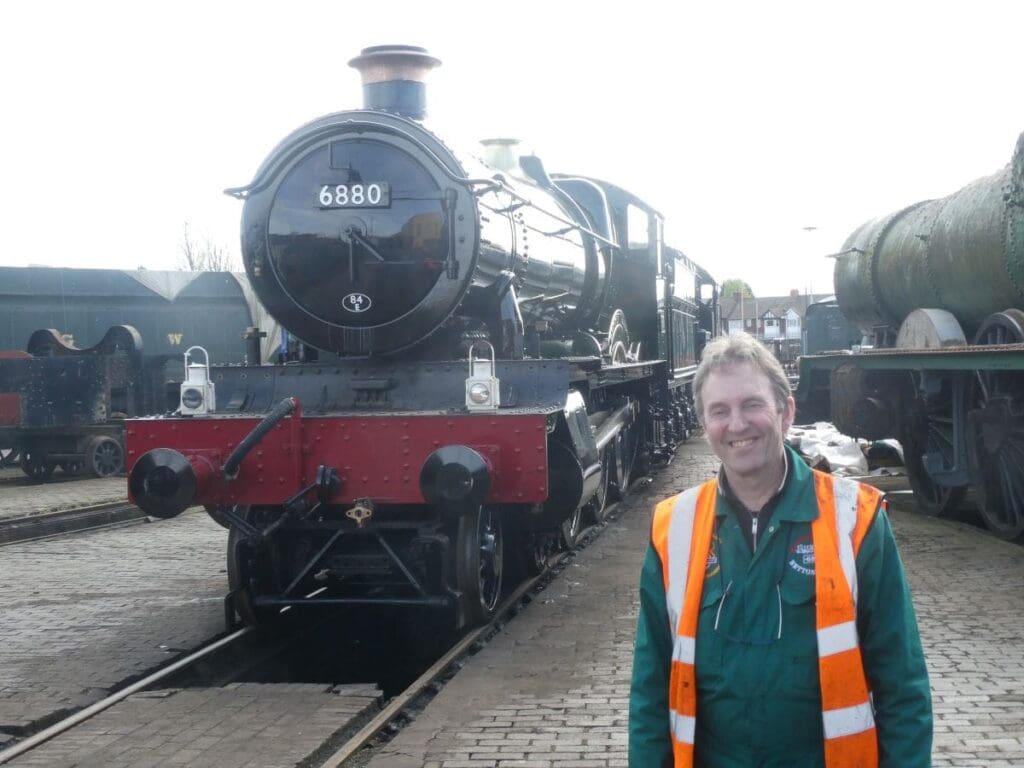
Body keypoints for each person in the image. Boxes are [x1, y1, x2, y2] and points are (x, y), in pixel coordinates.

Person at [629, 333, 932, 767]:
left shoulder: (856, 520)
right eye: (719, 411)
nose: (736, 424)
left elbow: (902, 686)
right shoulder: (673, 528)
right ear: (704, 425)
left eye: (752, 404)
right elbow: (649, 688)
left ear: (785, 411)